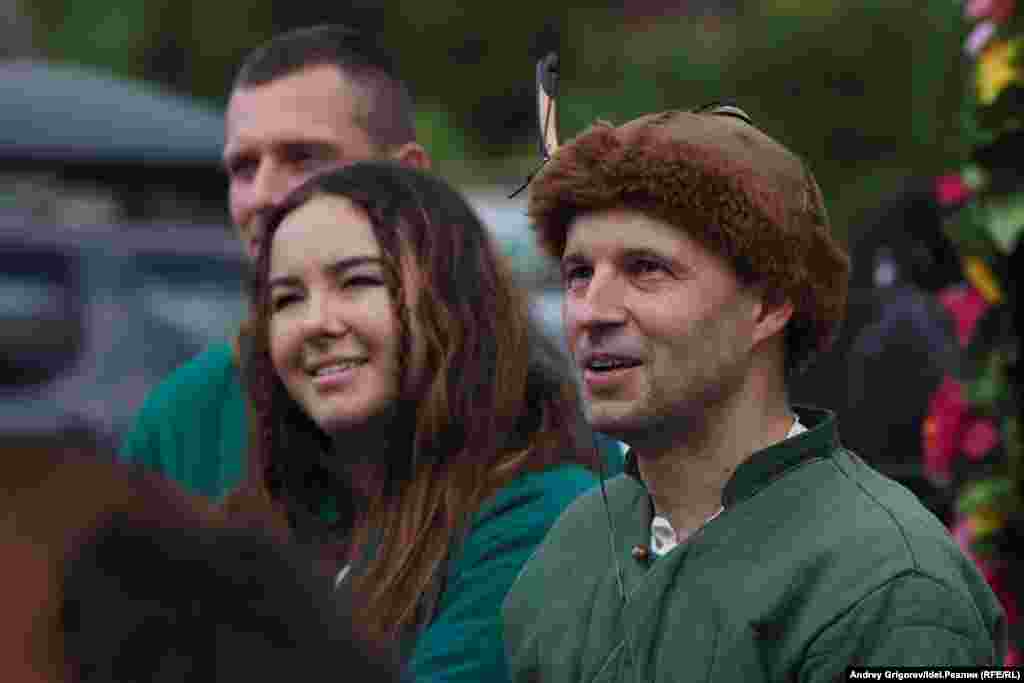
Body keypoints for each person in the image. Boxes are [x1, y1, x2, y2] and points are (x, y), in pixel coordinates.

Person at [502, 106, 1007, 682]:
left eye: (645, 268)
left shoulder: (893, 587)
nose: (591, 311)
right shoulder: (572, 548)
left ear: (767, 304)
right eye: (578, 274)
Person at [221, 160, 604, 681]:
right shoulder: (270, 519)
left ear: (454, 302)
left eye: (357, 281)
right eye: (287, 298)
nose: (316, 323)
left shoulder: (541, 516)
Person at [119, 24, 431, 499]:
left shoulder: (510, 395)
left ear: (408, 177)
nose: (262, 196)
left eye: (303, 158)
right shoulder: (185, 421)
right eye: (243, 168)